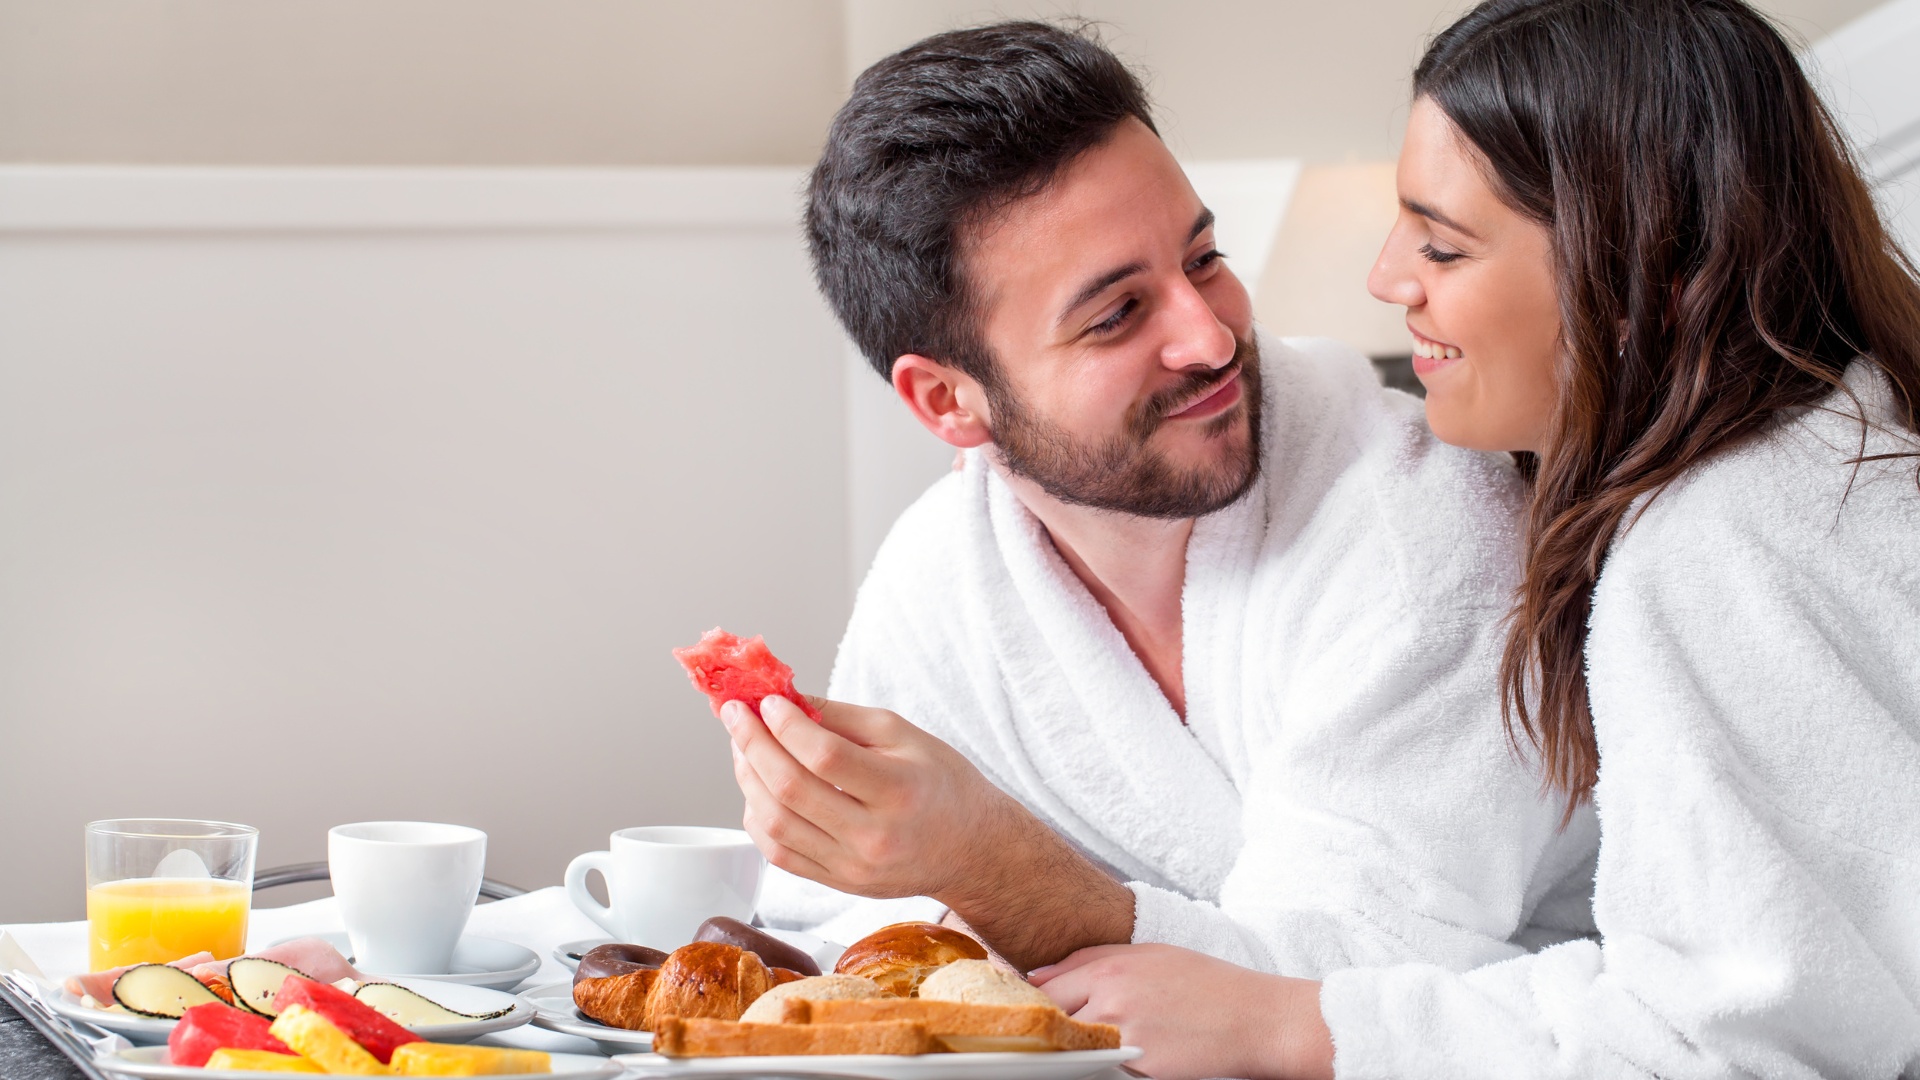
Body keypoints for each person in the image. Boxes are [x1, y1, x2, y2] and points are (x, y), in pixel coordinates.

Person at [1029, 1, 1920, 1076]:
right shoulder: (1847, 444)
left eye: (1443, 245)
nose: (1386, 278)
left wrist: (1290, 1025)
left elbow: (1735, 1041)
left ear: (1660, 278)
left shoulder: (1715, 553)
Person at [716, 21, 1597, 982]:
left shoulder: (1423, 529)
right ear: (948, 401)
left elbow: (1350, 994)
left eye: (1203, 258)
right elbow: (838, 922)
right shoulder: (946, 570)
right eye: (1118, 315)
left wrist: (985, 866)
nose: (1211, 339)